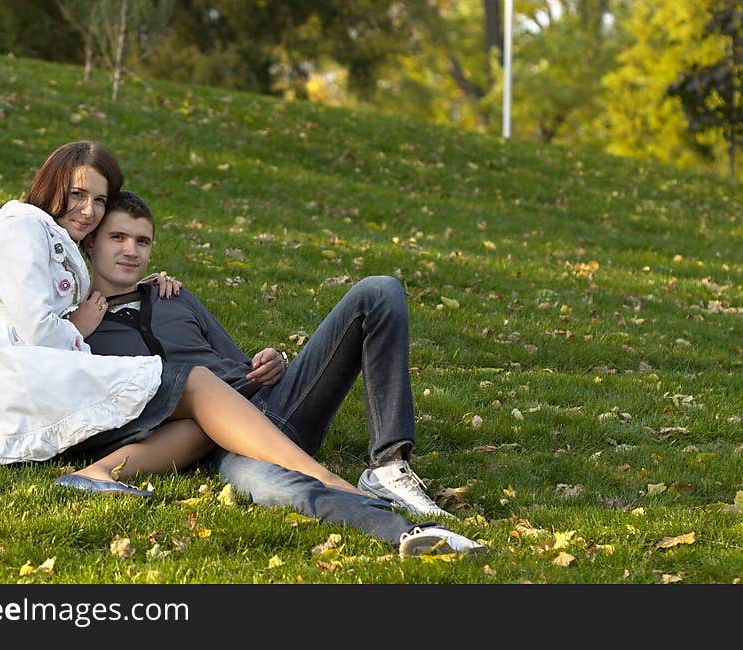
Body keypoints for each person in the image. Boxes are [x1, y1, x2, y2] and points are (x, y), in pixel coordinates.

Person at [81, 190, 488, 556]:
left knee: (379, 290)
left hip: (274, 404)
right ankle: (411, 533)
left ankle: (388, 465)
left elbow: (239, 363)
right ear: (91, 243)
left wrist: (273, 361)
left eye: (142, 241)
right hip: (217, 446)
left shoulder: (174, 297)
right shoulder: (75, 331)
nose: (131, 250)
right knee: (281, 488)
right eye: (118, 238)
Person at [0, 141, 363, 500]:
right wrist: (81, 325)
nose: (88, 210)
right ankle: (323, 478)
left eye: (99, 200)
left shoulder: (59, 243)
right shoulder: (22, 230)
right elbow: (41, 330)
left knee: (195, 403)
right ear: (51, 184)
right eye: (78, 194)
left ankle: (95, 475)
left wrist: (137, 287)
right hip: (22, 384)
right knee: (192, 385)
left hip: (40, 377)